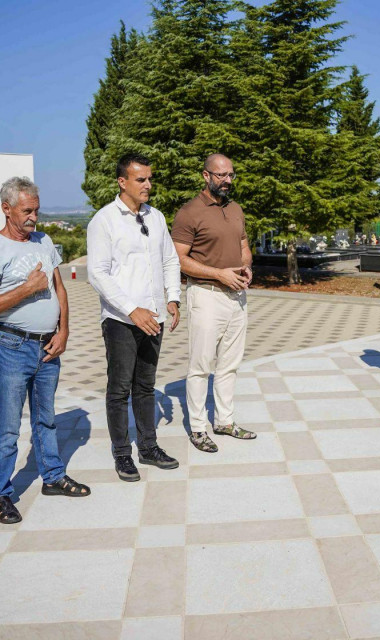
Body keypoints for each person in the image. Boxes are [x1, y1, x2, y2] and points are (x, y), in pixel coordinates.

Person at [0, 177, 90, 524]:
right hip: (11, 346)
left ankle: (52, 476)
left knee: (46, 419)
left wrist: (64, 330)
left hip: (48, 347)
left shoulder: (43, 241)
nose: (34, 217)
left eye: (36, 210)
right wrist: (26, 289)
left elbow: (59, 288)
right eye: (27, 210)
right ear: (6, 209)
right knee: (8, 428)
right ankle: (2, 494)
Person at [87, 154, 181, 481]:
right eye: (140, 179)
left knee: (146, 386)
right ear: (122, 182)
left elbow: (169, 260)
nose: (148, 185)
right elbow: (97, 274)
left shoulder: (156, 217)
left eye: (149, 178)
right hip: (120, 320)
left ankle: (148, 446)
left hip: (153, 317)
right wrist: (131, 309)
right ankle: (122, 454)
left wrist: (172, 298)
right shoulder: (104, 220)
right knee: (119, 389)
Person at [172, 153, 256, 453]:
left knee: (230, 364)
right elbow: (179, 260)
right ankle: (197, 428)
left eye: (231, 175)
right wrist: (219, 274)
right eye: (221, 175)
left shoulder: (235, 209)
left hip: (237, 296)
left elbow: (244, 247)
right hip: (206, 295)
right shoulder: (189, 213)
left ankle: (225, 420)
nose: (228, 181)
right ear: (206, 176)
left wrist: (245, 266)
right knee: (200, 365)